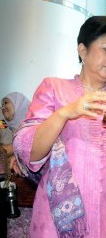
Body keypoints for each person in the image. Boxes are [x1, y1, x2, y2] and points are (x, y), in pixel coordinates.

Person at [13, 16, 106, 237]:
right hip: (61, 212)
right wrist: (65, 113)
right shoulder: (54, 88)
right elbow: (28, 150)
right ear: (82, 50)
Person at [1, 92, 36, 238]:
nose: (3, 107)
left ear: (18, 104)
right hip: (13, 203)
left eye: (6, 103)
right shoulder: (7, 129)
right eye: (1, 105)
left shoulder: (32, 127)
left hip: (31, 203)